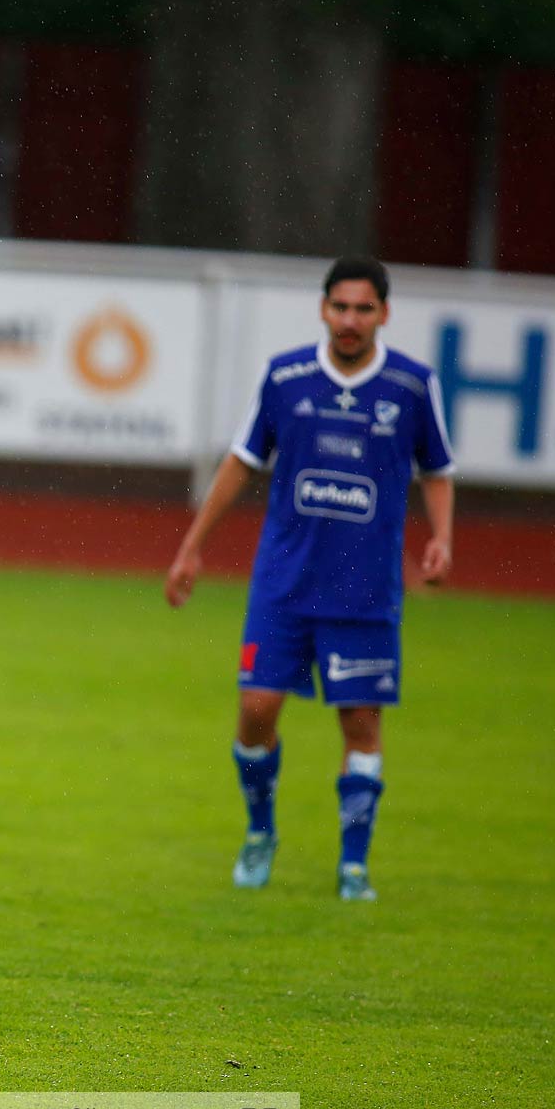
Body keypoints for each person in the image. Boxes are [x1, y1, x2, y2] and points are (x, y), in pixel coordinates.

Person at [165, 256, 454, 902]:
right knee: (256, 708)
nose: (350, 320)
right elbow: (241, 462)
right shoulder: (286, 378)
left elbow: (436, 468)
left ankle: (354, 864)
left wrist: (442, 537)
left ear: (384, 313)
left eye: (364, 309)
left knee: (360, 728)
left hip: (366, 592)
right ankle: (260, 831)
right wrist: (191, 548)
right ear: (323, 309)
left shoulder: (410, 386)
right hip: (284, 586)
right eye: (340, 307)